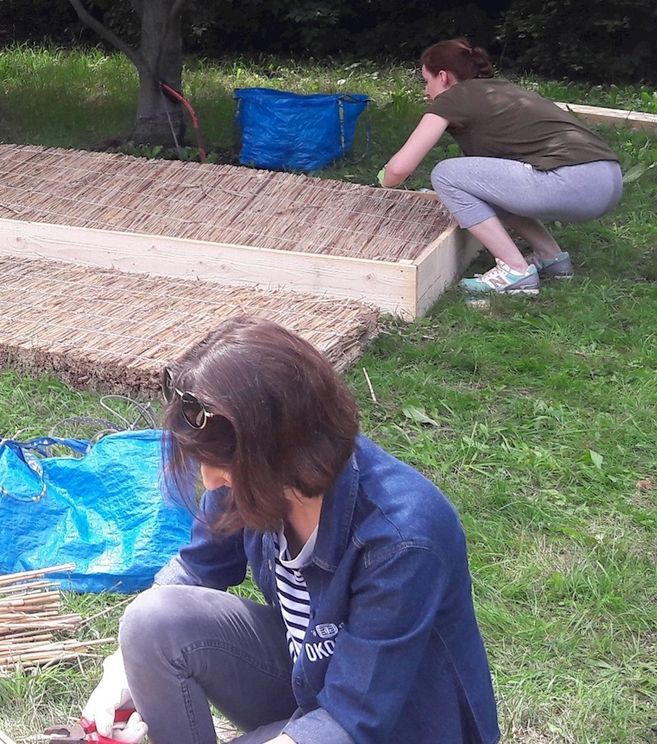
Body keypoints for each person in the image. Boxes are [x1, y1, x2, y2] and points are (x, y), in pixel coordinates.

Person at [83, 317, 499, 744]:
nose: (210, 480)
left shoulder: (402, 538)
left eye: (222, 465)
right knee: (152, 620)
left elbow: (354, 719)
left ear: (280, 450)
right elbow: (194, 572)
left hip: (395, 725)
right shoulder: (252, 474)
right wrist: (122, 670)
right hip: (313, 682)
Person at [379, 37, 622, 295]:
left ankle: (515, 270)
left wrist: (383, 180)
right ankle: (551, 257)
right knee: (483, 184)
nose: (426, 92)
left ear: (443, 77)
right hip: (608, 178)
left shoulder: (452, 98)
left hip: (570, 181)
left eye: (426, 81)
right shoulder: (501, 89)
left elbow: (399, 170)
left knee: (445, 174)